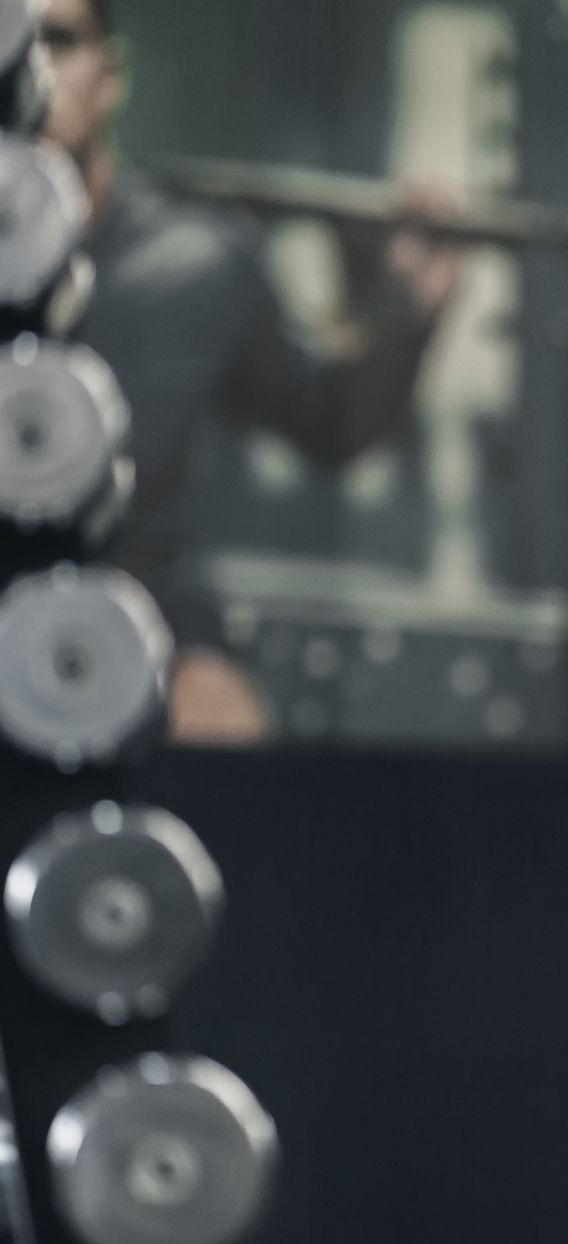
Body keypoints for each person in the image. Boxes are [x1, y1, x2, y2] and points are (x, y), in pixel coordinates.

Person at [37, 0, 462, 743]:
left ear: (108, 76)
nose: (28, 70)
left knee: (221, 723)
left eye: (57, 40)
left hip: (145, 621)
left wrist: (409, 309)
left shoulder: (196, 262)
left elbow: (334, 424)